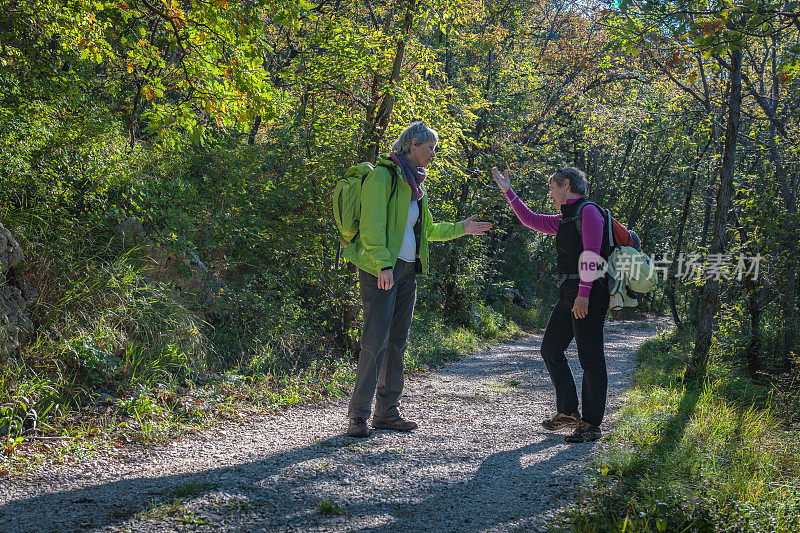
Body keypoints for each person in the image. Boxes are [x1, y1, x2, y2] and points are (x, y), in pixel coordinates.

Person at [343, 121, 492, 438]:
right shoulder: (383, 177)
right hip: (381, 268)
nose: (433, 155)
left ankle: (387, 412)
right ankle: (358, 416)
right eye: (430, 148)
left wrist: (461, 228)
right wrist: (383, 265)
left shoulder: (415, 186)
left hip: (408, 270)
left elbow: (427, 232)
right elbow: (371, 225)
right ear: (413, 144)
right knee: (375, 340)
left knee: (397, 341)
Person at [491, 165, 610, 443]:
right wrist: (508, 192)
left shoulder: (588, 212)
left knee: (590, 358)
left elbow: (592, 255)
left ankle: (591, 424)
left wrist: (583, 295)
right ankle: (569, 412)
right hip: (569, 293)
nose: (551, 194)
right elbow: (530, 220)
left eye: (552, 188)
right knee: (551, 349)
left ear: (566, 185)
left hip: (589, 293)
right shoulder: (566, 219)